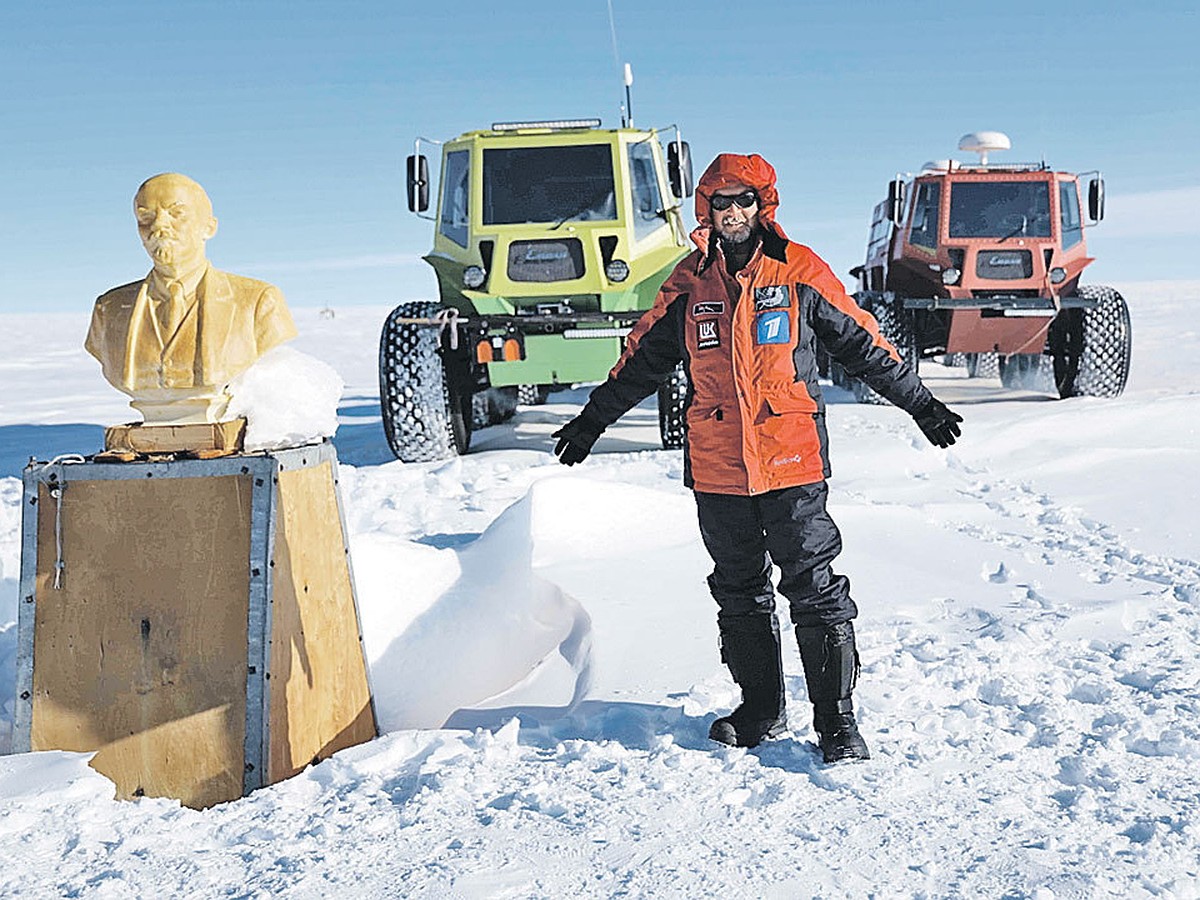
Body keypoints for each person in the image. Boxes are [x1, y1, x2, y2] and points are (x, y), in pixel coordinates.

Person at [551, 153, 962, 762]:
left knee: (814, 586)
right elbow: (641, 359)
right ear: (707, 211)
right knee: (738, 590)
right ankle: (761, 710)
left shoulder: (798, 271)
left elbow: (861, 342)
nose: (733, 213)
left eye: (744, 201)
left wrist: (921, 405)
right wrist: (591, 423)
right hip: (719, 466)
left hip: (791, 460)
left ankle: (837, 722)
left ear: (762, 206)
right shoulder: (690, 283)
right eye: (722, 203)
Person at [86, 173, 296, 424]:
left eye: (176, 213)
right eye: (145, 217)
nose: (158, 227)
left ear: (209, 227)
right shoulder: (109, 309)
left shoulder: (258, 302)